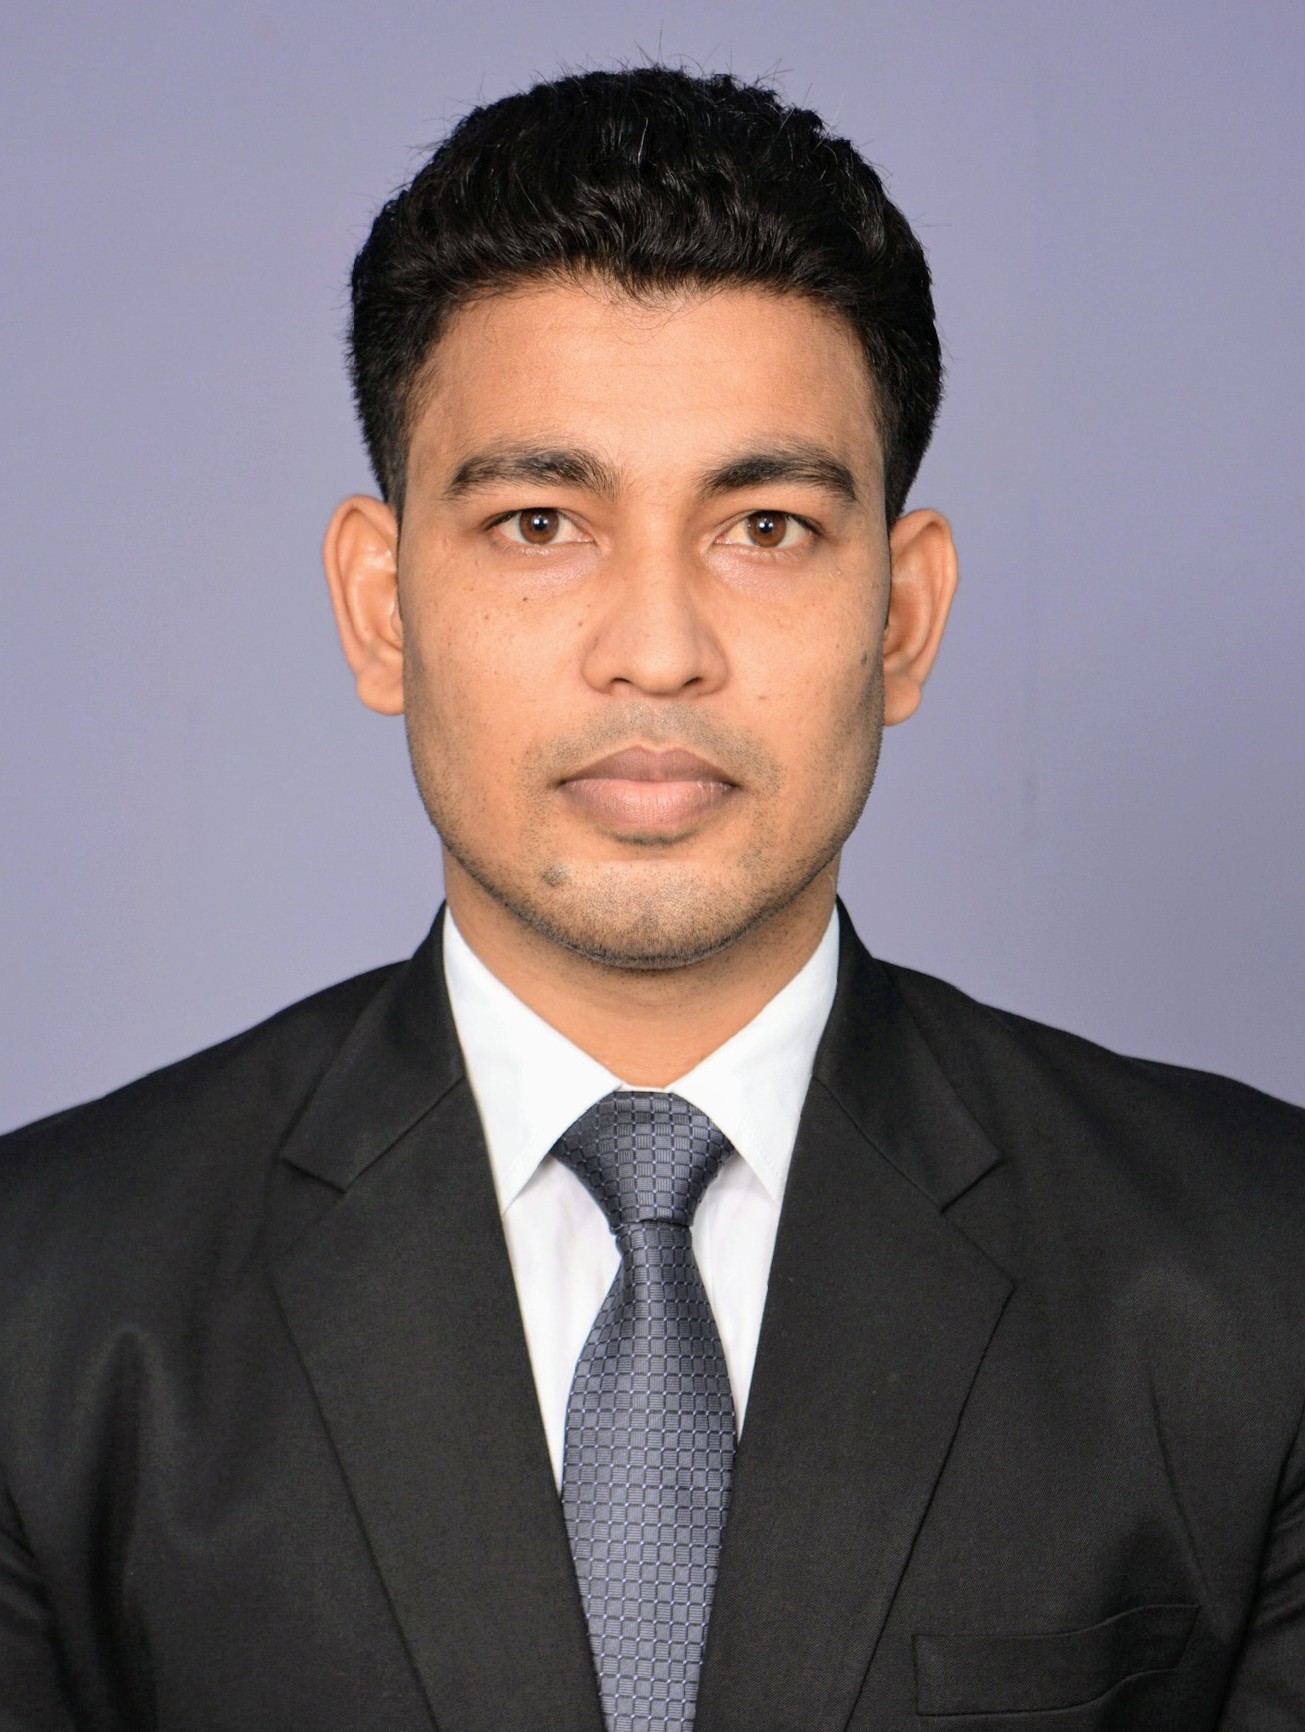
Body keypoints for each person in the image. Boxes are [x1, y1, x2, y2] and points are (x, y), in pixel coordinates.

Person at [1, 63, 1301, 1732]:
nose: (659, 649)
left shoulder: (1257, 1276)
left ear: (901, 618)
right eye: (539, 521)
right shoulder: (45, 1305)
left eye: (764, 526)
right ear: (381, 607)